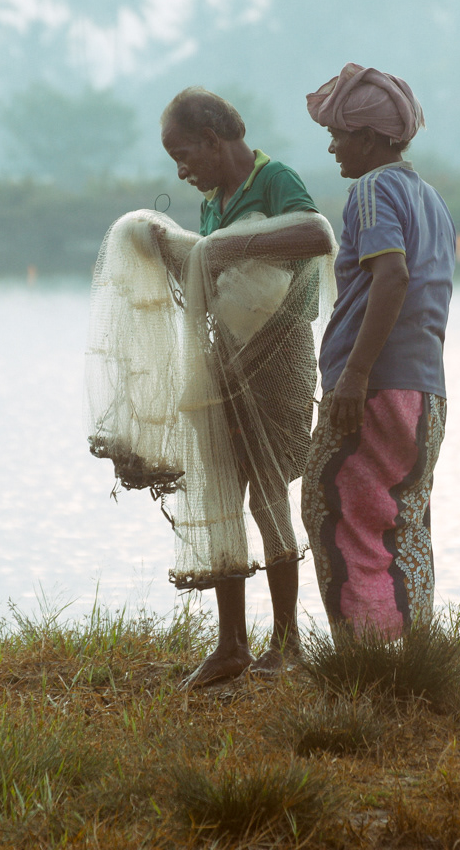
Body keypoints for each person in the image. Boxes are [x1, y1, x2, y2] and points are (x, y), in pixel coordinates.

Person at [156, 87, 334, 687]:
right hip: (225, 364)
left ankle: (287, 643)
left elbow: (314, 235)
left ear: (214, 138)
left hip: (278, 362)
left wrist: (226, 246)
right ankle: (231, 642)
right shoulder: (213, 202)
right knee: (221, 493)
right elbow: (216, 279)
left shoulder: (273, 178)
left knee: (267, 496)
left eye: (185, 154)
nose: (181, 170)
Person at [301, 64, 454, 641]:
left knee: (331, 506)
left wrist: (355, 376)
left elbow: (391, 278)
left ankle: (365, 655)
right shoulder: (430, 198)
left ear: (368, 138)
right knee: (401, 520)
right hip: (424, 393)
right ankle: (411, 652)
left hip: (376, 389)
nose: (335, 148)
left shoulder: (372, 189)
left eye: (340, 135)